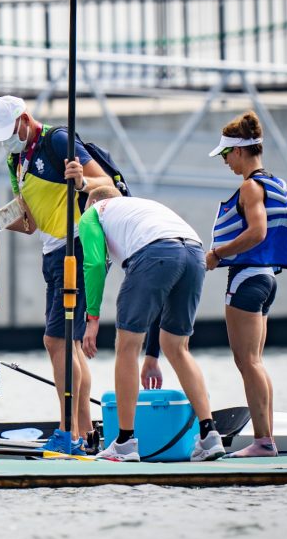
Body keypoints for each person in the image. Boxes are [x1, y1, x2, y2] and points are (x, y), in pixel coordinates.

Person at [0, 95, 113, 454]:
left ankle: (68, 431)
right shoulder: (16, 160)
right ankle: (87, 435)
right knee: (67, 344)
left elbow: (106, 186)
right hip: (52, 252)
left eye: (12, 132)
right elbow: (28, 222)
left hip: (77, 246)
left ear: (25, 119)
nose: (9, 141)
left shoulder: (57, 140)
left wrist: (80, 182)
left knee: (55, 342)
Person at [80, 186, 226, 462]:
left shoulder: (92, 214)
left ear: (94, 203)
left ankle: (124, 443)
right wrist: (152, 356)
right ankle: (209, 436)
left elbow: (95, 264)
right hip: (194, 253)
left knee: (126, 347)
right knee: (178, 347)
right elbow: (161, 292)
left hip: (154, 253)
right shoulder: (139, 209)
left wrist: (93, 318)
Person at [205, 111, 287, 458]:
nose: (225, 162)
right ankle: (266, 439)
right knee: (255, 361)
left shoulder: (250, 186)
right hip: (267, 279)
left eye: (226, 155)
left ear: (240, 151)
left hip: (246, 278)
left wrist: (218, 254)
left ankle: (263, 442)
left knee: (247, 362)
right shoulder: (279, 185)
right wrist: (266, 257)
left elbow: (258, 231)